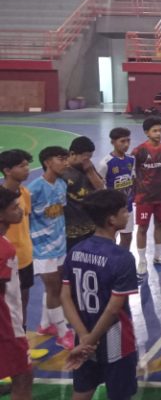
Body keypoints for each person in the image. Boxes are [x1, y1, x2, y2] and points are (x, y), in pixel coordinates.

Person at [60, 189, 139, 400]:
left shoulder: (75, 251)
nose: (128, 214)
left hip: (83, 333)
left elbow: (65, 297)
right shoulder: (122, 257)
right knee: (120, 394)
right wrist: (92, 341)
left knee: (82, 391)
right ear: (111, 220)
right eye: (124, 211)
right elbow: (113, 309)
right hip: (116, 340)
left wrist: (84, 339)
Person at [28, 145, 74, 349]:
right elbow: (23, 217)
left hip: (60, 244)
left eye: (66, 159)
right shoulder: (34, 189)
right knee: (55, 288)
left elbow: (59, 214)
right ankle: (63, 333)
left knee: (55, 287)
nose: (66, 163)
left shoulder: (62, 184)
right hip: (42, 249)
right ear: (47, 162)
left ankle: (45, 325)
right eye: (61, 159)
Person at [0, 187, 33, 400]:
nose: (20, 210)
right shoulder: (5, 250)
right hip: (7, 327)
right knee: (23, 377)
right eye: (14, 208)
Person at [132, 116, 161, 275]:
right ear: (147, 132)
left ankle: (158, 256)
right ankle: (142, 260)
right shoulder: (138, 151)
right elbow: (133, 173)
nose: (158, 133)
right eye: (155, 131)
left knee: (160, 224)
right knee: (142, 228)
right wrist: (134, 194)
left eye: (160, 130)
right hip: (144, 197)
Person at [97, 127, 136, 250]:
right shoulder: (105, 163)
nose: (126, 144)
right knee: (111, 238)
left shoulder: (131, 159)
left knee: (127, 237)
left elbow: (133, 179)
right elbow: (98, 185)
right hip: (112, 210)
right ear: (113, 142)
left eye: (128, 141)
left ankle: (122, 258)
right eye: (122, 141)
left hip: (127, 207)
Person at [63, 136, 104, 252]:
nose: (88, 160)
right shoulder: (62, 171)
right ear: (72, 154)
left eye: (90, 157)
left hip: (90, 224)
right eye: (85, 157)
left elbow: (100, 187)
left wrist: (90, 171)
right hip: (71, 229)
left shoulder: (88, 166)